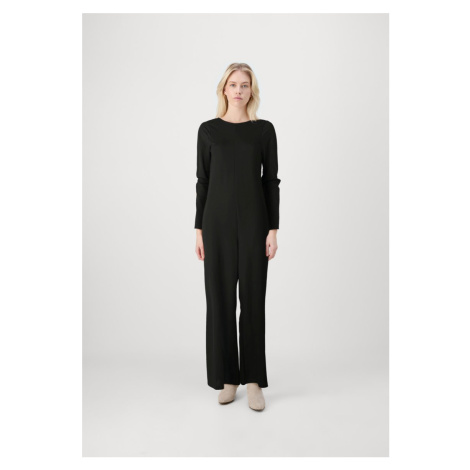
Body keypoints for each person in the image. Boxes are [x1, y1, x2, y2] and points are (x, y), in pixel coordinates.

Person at [194, 63, 281, 412]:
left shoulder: (263, 130)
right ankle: (228, 377)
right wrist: (199, 230)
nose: (239, 90)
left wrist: (273, 229)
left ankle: (254, 380)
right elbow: (203, 181)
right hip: (215, 225)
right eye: (233, 84)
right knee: (220, 301)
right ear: (224, 89)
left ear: (251, 91)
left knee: (253, 301)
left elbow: (270, 180)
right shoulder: (208, 130)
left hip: (254, 224)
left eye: (245, 85)